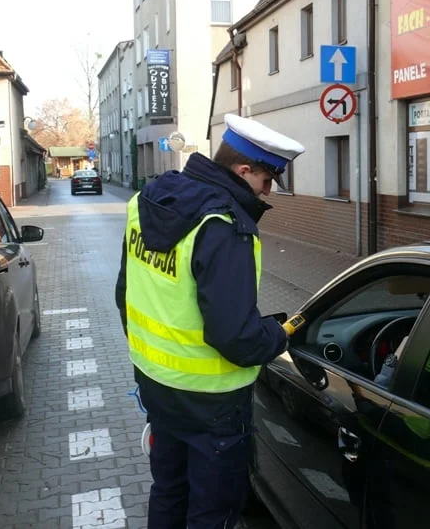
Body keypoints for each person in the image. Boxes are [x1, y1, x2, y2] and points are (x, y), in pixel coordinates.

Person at [114, 113, 305, 529]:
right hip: (214, 402)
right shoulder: (225, 225)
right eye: (266, 180)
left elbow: (122, 294)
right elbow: (235, 337)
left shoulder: (147, 200)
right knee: (212, 511)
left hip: (156, 384)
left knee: (168, 491)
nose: (267, 191)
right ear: (243, 170)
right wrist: (276, 336)